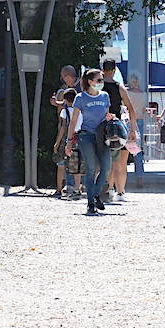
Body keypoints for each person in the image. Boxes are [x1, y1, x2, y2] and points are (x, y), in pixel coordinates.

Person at [66, 68, 113, 215]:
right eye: (99, 80)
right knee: (91, 168)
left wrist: (111, 118)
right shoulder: (80, 98)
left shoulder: (105, 96)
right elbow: (73, 121)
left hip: (102, 136)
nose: (101, 83)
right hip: (86, 136)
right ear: (90, 81)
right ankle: (90, 203)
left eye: (102, 80)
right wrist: (69, 141)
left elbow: (107, 115)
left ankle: (95, 194)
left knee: (106, 168)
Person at [101, 59, 136, 201]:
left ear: (102, 70)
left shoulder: (97, 87)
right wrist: (132, 129)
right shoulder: (120, 87)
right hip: (117, 126)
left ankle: (107, 189)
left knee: (105, 162)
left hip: (102, 126)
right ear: (114, 70)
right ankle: (120, 192)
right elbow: (131, 109)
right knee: (121, 162)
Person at [52, 88, 82, 199]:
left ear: (65, 100)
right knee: (76, 165)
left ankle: (59, 189)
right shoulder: (80, 110)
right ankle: (76, 188)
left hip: (67, 139)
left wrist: (57, 142)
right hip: (79, 139)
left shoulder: (65, 112)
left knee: (61, 165)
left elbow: (63, 128)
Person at [126, 72, 147, 188]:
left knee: (123, 149)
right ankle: (139, 177)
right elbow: (144, 110)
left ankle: (121, 177)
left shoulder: (127, 93)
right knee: (138, 150)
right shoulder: (144, 94)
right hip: (140, 121)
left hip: (128, 121)